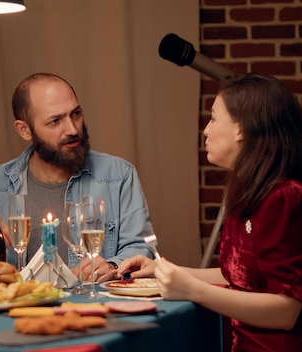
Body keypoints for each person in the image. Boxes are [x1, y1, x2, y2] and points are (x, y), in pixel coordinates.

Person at [118, 74, 302, 351]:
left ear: (241, 129)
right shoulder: (250, 193)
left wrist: (194, 290)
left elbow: (287, 311)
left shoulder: (285, 197)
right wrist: (165, 270)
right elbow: (240, 275)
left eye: (214, 118)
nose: (205, 130)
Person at [0, 72, 154, 282]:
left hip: (93, 309)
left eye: (76, 114)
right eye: (55, 121)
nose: (72, 129)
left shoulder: (119, 175)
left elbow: (142, 249)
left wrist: (113, 267)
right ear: (25, 130)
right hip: (19, 310)